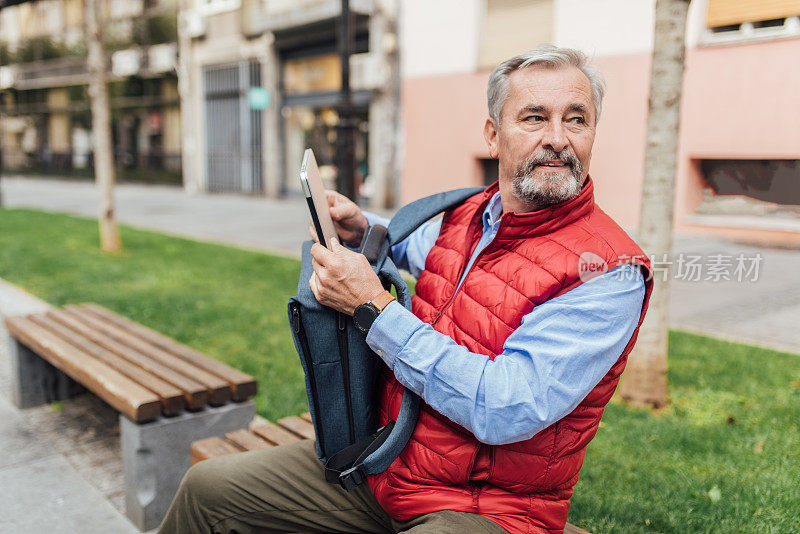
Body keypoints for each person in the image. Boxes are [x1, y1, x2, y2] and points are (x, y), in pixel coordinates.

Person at [159, 45, 653, 534]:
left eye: (576, 120)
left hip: (489, 510)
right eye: (533, 118)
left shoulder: (608, 271)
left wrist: (374, 308)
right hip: (390, 463)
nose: (557, 139)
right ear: (493, 135)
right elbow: (419, 249)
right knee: (208, 491)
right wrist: (363, 230)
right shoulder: (473, 215)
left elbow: (504, 407)